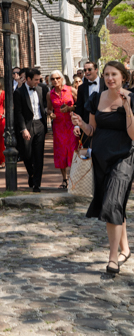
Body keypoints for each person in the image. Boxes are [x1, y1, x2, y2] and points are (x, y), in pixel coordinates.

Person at [71, 61, 134, 275]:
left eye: (114, 74)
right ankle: (126, 249)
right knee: (115, 204)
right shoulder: (95, 98)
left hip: (123, 157)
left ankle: (113, 258)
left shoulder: (132, 98)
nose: (110, 78)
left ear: (123, 76)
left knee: (112, 203)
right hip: (100, 157)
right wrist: (80, 123)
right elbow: (92, 131)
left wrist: (127, 109)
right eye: (106, 74)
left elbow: (133, 134)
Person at [13, 68, 48, 192]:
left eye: (39, 79)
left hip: (40, 125)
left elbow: (43, 106)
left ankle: (37, 183)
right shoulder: (18, 92)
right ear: (28, 79)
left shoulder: (41, 89)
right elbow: (18, 112)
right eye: (36, 80)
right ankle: (32, 173)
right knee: (26, 154)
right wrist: (23, 129)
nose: (38, 82)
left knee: (39, 155)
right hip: (27, 126)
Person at [46, 71, 78, 189]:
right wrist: (50, 114)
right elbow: (49, 109)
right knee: (61, 152)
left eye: (57, 78)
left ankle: (74, 178)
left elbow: (80, 105)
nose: (55, 80)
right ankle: (64, 179)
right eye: (53, 79)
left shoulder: (71, 90)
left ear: (62, 78)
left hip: (71, 124)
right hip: (58, 126)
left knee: (73, 150)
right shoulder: (50, 94)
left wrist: (70, 108)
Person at [75, 61, 106, 148]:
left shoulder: (106, 83)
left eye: (89, 69)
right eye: (85, 70)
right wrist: (77, 125)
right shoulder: (81, 88)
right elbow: (79, 107)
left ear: (96, 70)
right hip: (87, 124)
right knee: (88, 152)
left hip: (104, 124)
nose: (87, 72)